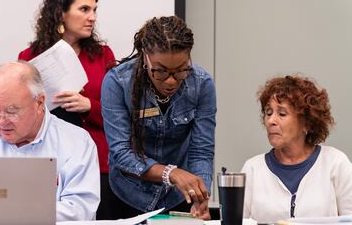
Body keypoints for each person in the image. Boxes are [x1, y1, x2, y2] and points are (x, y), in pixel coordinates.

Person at [101, 16, 216, 220]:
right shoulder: (118, 82)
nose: (171, 81)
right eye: (161, 71)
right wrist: (171, 173)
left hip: (177, 197)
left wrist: (200, 193)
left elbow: (201, 151)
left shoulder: (202, 84)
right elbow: (121, 153)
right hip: (128, 194)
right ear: (145, 56)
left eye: (181, 70)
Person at [17, 0, 115, 219]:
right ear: (61, 12)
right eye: (84, 9)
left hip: (99, 162)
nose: (92, 17)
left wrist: (89, 106)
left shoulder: (103, 56)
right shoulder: (28, 57)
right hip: (47, 162)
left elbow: (121, 115)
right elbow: (19, 111)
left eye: (94, 10)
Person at [0, 61, 100, 221]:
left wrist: (12, 213)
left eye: (12, 111)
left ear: (39, 102)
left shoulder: (77, 143)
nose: (1, 122)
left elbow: (80, 210)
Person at [242, 74, 352, 223]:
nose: (271, 121)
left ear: (306, 123)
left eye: (281, 113)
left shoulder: (335, 163)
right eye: (268, 113)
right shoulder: (252, 169)